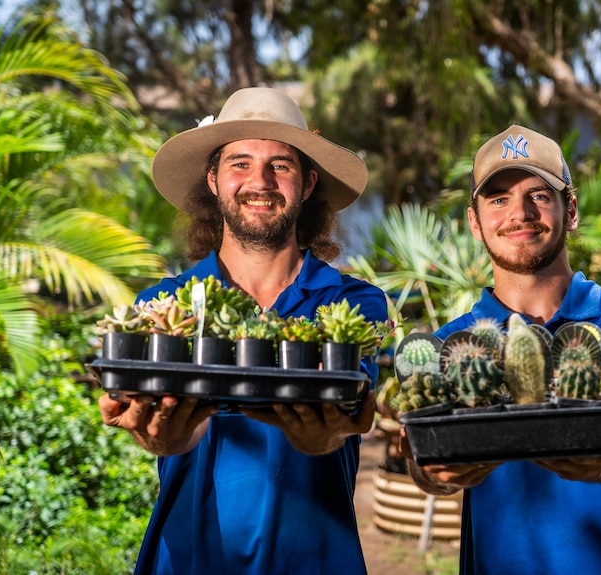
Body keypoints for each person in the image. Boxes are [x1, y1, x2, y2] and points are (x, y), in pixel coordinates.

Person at [98, 87, 387, 575]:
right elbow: (168, 432)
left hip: (316, 560)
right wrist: (165, 437)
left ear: (308, 182)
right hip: (187, 561)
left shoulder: (353, 305)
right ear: (212, 180)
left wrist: (328, 433)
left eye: (281, 165)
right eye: (239, 163)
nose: (260, 181)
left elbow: (347, 414)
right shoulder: (163, 307)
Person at [400, 125, 601, 575]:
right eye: (498, 199)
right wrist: (431, 470)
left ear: (570, 210)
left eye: (539, 195)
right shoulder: (454, 343)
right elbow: (424, 468)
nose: (520, 212)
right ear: (475, 221)